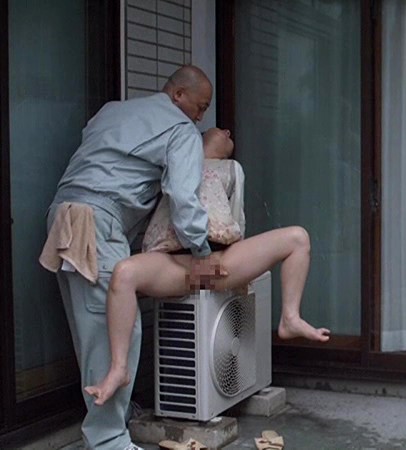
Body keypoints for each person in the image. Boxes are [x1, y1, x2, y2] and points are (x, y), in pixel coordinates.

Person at [40, 65, 225, 450]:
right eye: (200, 105)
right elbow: (183, 198)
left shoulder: (111, 111)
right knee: (114, 331)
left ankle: (115, 419)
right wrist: (202, 252)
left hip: (62, 215)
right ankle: (109, 440)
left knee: (91, 331)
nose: (200, 116)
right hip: (96, 223)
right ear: (178, 95)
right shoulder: (180, 130)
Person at [84, 128, 330, 407]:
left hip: (218, 262)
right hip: (175, 264)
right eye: (219, 130)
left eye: (229, 135)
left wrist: (238, 270)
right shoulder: (173, 162)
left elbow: (237, 217)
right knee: (123, 272)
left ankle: (290, 317)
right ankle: (119, 368)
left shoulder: (231, 169)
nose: (226, 131)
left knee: (298, 238)